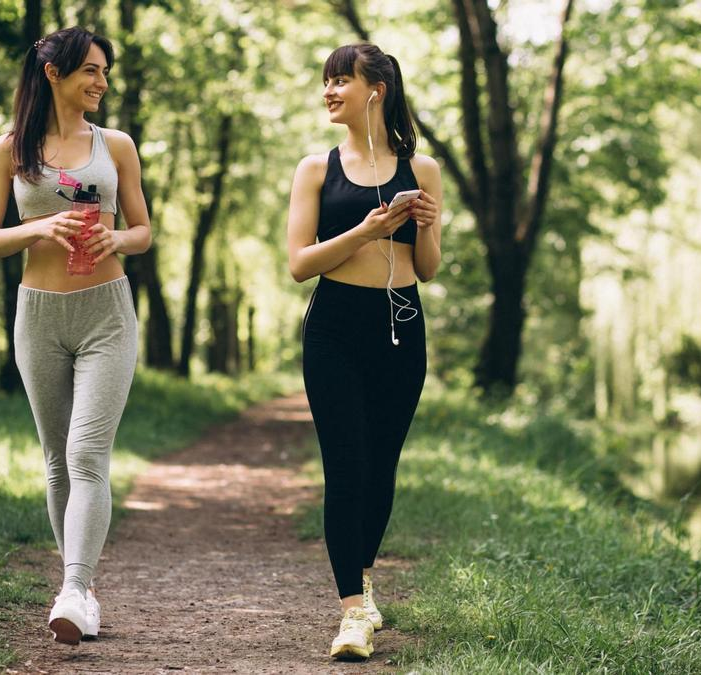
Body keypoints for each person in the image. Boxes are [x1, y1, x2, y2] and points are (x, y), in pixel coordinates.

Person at [0, 26, 151, 645]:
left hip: (107, 312)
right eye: (92, 71)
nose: (102, 82)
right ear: (54, 73)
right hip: (39, 314)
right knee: (56, 462)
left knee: (85, 454)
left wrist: (116, 237)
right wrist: (36, 230)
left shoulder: (117, 145)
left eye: (105, 72)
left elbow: (143, 229)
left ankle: (74, 587)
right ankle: (84, 590)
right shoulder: (9, 150)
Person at [285, 42, 443, 660]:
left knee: (381, 466)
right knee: (345, 465)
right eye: (326, 81)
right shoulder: (316, 169)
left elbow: (427, 268)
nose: (328, 91)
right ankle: (352, 612)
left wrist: (424, 223)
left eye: (339, 81)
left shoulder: (422, 168)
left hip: (401, 322)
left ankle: (364, 583)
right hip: (334, 326)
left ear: (375, 89)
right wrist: (364, 229)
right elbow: (300, 264)